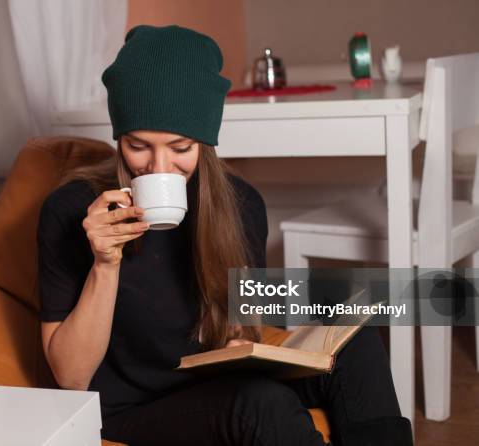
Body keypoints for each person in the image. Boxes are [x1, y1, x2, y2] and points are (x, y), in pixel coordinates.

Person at [37, 24, 413, 446]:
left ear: (205, 142)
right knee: (262, 404)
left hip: (214, 381)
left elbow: (242, 324)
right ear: (118, 138)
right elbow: (70, 377)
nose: (158, 167)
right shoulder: (71, 212)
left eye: (180, 148)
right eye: (137, 145)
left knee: (357, 341)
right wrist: (105, 263)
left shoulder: (242, 205)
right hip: (129, 408)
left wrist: (242, 339)